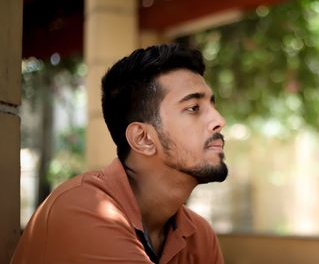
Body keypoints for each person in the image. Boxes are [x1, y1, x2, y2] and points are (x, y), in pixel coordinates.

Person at [11, 44, 228, 264]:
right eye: (193, 108)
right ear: (143, 138)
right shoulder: (82, 208)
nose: (219, 120)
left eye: (212, 105)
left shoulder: (199, 236)